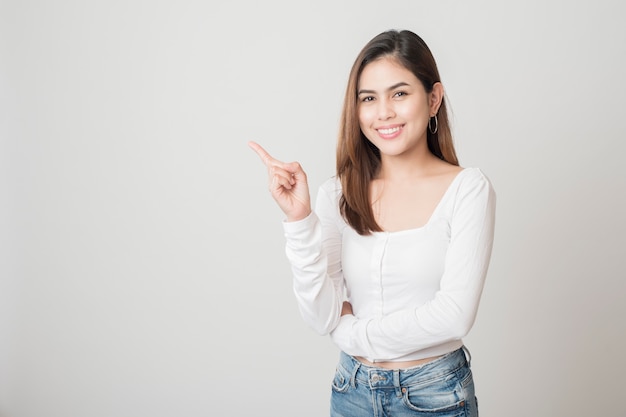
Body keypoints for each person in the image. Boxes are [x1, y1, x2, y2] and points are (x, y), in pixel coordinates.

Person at [249, 29, 495, 417]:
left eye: (399, 94)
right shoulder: (338, 193)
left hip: (434, 395)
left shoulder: (467, 189)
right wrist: (299, 221)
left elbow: (454, 315)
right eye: (368, 98)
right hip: (352, 391)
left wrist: (353, 334)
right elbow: (320, 314)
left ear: (433, 100)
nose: (383, 112)